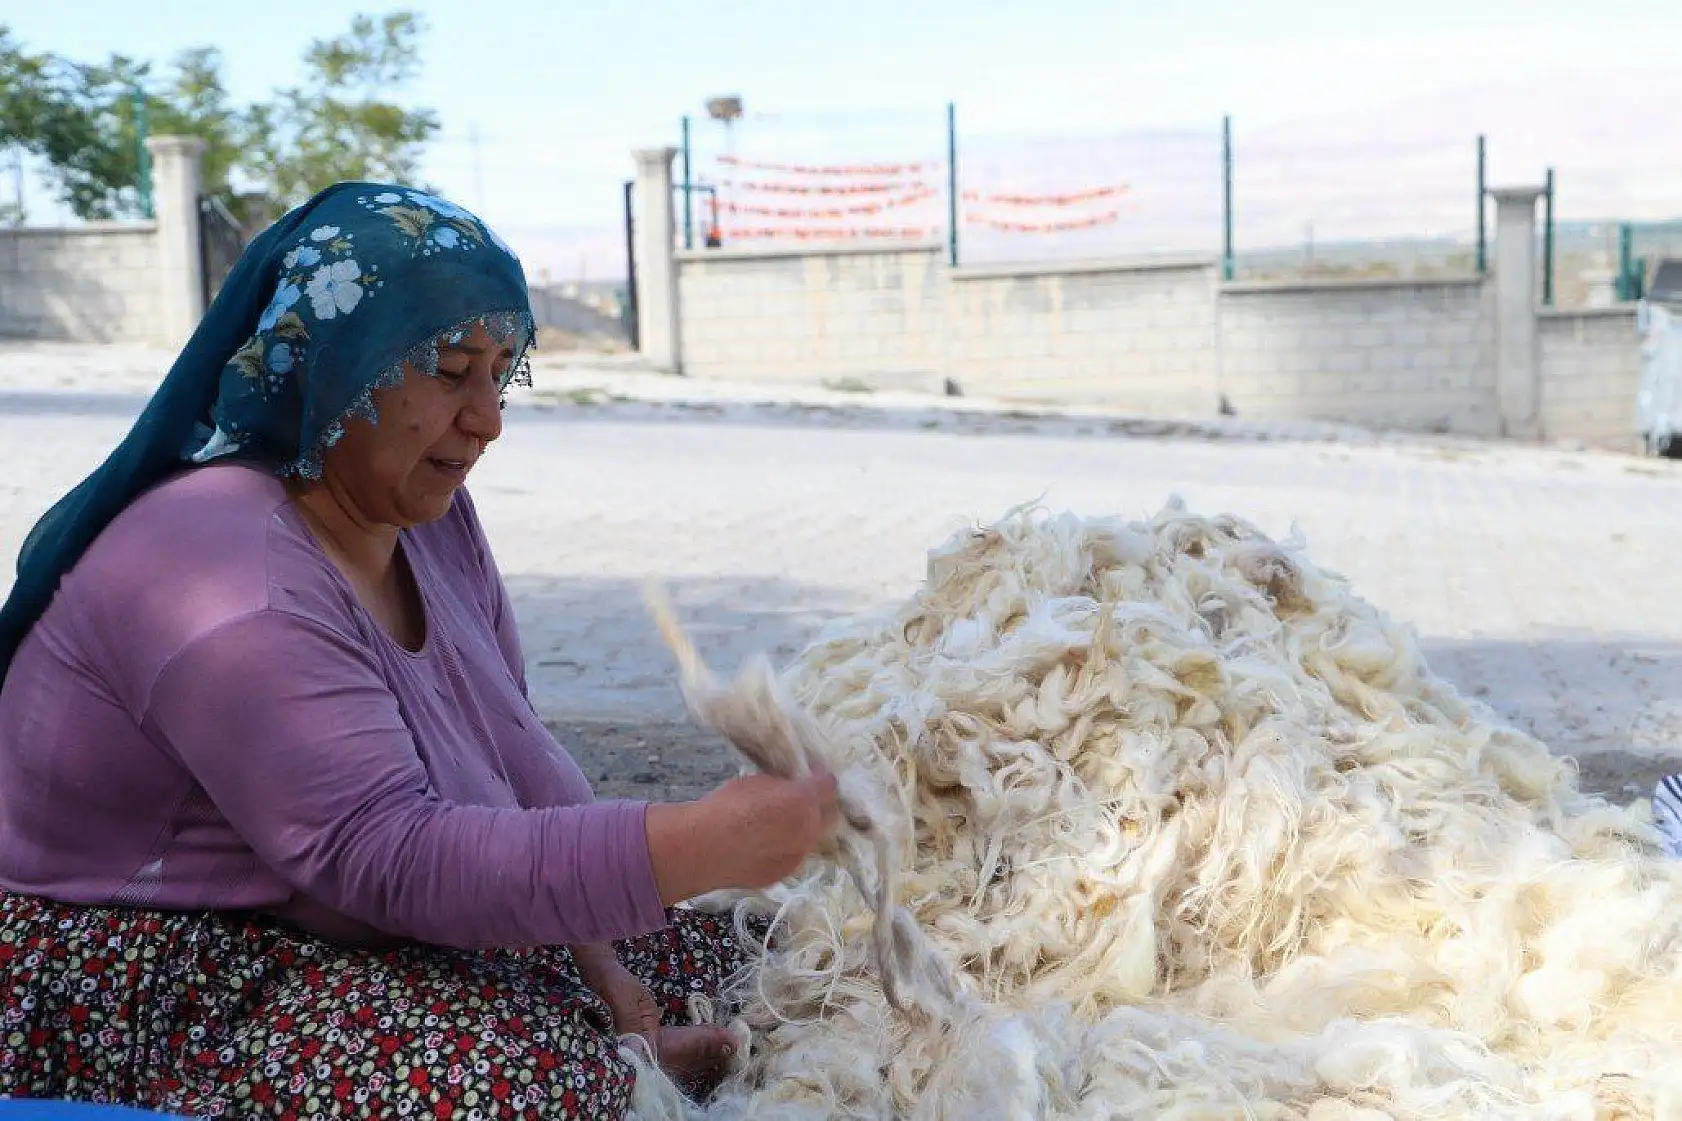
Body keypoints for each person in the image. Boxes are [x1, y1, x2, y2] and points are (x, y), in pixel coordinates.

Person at [0, 182, 840, 1119]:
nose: (487, 418)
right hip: (166, 962)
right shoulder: (226, 570)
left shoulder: (425, 516)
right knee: (507, 1081)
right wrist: (703, 842)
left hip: (339, 921)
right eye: (449, 368)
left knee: (763, 957)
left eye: (501, 370)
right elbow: (385, 854)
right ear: (338, 365)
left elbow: (512, 752)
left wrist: (603, 968)